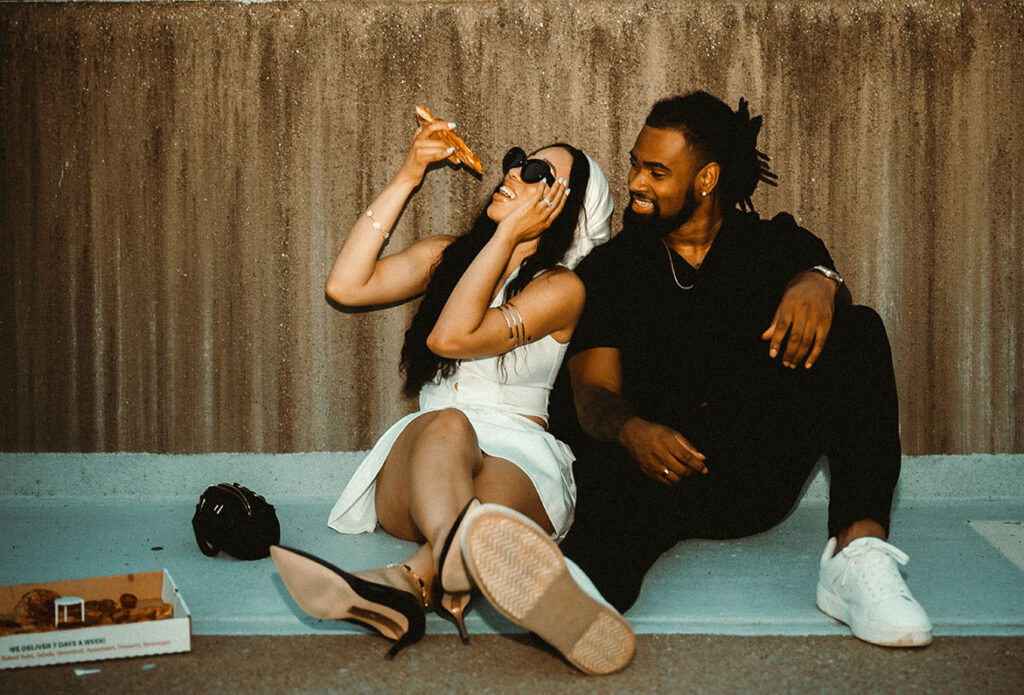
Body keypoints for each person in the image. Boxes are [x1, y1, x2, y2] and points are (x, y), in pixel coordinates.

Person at [553, 91, 933, 648]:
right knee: (613, 519)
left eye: (657, 172)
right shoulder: (612, 270)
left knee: (859, 331)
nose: (634, 182)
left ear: (706, 179)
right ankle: (571, 600)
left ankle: (857, 555)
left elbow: (832, 315)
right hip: (653, 468)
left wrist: (820, 280)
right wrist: (633, 431)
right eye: (635, 163)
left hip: (753, 473)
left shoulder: (772, 245)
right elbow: (593, 395)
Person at [269, 119, 636, 674]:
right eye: (517, 158)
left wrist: (508, 238)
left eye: (537, 173)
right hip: (423, 461)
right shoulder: (448, 257)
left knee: (468, 470)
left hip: (518, 462)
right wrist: (409, 173)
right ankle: (464, 558)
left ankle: (404, 583)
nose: (514, 171)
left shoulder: (561, 289)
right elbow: (345, 286)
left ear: (565, 209)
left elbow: (452, 338)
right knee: (447, 425)